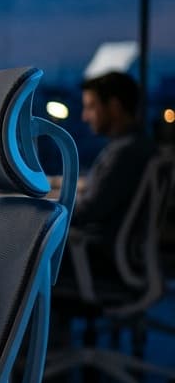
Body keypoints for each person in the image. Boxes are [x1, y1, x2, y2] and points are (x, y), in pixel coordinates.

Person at [70, 71, 154, 271]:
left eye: (91, 106)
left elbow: (89, 210)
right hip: (114, 251)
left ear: (114, 107)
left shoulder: (125, 153)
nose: (84, 116)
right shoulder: (136, 146)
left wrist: (37, 212)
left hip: (98, 255)